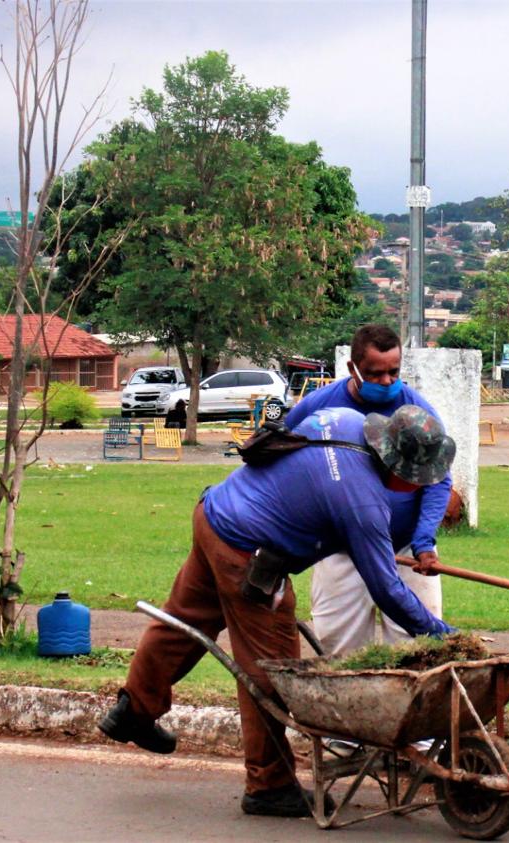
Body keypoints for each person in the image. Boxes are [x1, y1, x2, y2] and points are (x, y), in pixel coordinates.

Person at [98, 405, 456, 818]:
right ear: (400, 468)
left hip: (216, 512)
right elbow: (388, 590)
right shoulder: (362, 502)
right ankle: (269, 784)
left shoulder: (343, 419)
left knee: (185, 620)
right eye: (419, 476)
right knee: (272, 668)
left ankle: (134, 709)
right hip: (248, 556)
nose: (419, 484)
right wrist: (440, 633)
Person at [285, 324, 452, 655]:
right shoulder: (318, 408)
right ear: (353, 368)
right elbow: (280, 453)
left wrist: (423, 541)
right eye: (376, 374)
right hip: (340, 548)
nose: (387, 381)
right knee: (341, 650)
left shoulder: (418, 413)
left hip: (405, 549)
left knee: (416, 650)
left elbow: (437, 479)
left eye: (394, 372)